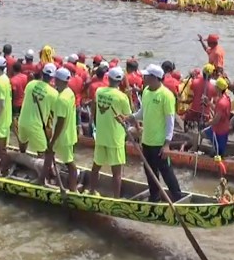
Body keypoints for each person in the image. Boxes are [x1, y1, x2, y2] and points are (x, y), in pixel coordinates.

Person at [128, 64, 183, 202]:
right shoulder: (146, 91)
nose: (143, 78)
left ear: (155, 78)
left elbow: (170, 122)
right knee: (150, 172)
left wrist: (167, 145)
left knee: (166, 171)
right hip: (146, 140)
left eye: (146, 76)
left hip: (159, 143)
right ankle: (154, 197)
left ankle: (177, 198)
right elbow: (142, 113)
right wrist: (129, 117)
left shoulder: (166, 95)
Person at [88, 66, 131, 197]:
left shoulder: (99, 91)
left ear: (109, 78)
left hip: (101, 135)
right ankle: (116, 198)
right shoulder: (122, 97)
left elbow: (94, 109)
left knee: (96, 167)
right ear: (121, 80)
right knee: (116, 172)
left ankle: (91, 190)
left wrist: (94, 123)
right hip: (115, 138)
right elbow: (128, 116)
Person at [43, 68, 78, 191]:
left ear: (58, 80)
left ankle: (73, 189)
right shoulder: (69, 92)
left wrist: (53, 140)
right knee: (49, 154)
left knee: (70, 163)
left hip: (63, 136)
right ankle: (41, 179)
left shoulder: (62, 99)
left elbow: (60, 123)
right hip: (68, 133)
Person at [18, 63, 58, 154]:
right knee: (42, 151)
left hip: (22, 121)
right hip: (36, 125)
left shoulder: (30, 84)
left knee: (23, 142)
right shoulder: (53, 93)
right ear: (53, 77)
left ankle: (22, 156)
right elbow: (55, 111)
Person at [202, 77, 232, 157]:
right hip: (223, 128)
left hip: (218, 131)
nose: (214, 87)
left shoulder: (221, 102)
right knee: (201, 133)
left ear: (218, 88)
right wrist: (208, 103)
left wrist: (205, 124)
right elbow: (218, 110)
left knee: (219, 153)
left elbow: (216, 120)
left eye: (215, 86)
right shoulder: (226, 98)